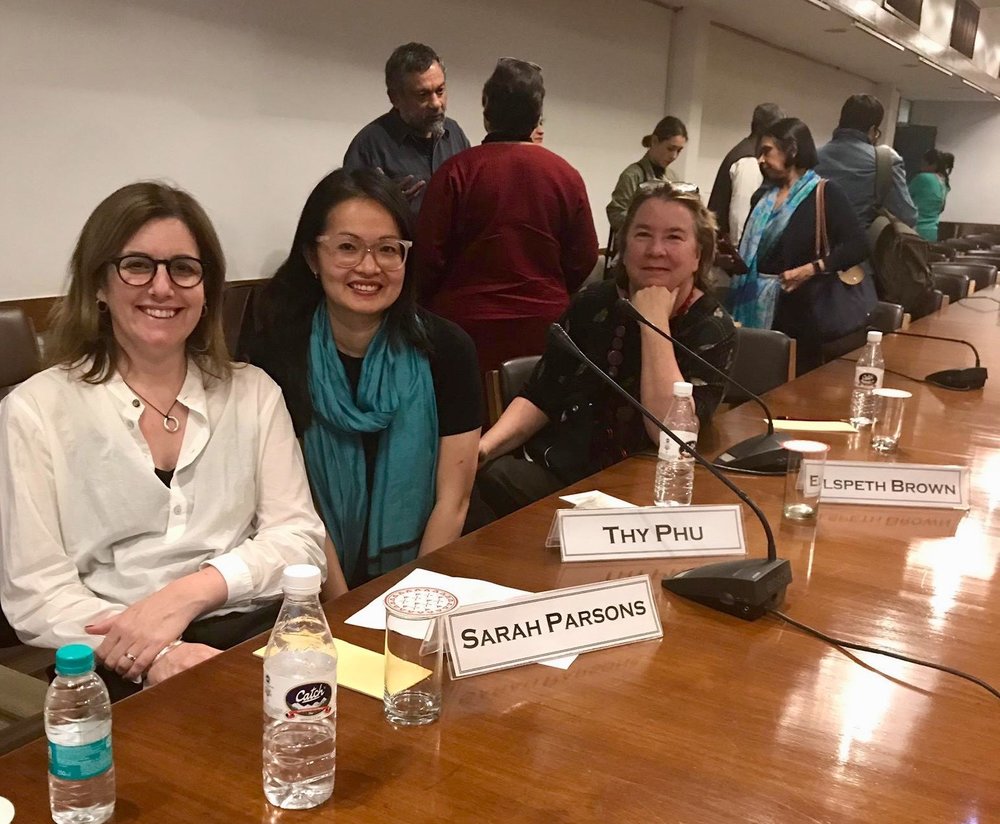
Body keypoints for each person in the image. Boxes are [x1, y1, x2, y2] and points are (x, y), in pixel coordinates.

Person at [0, 182, 326, 700]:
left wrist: (190, 593)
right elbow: (36, 593)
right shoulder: (35, 410)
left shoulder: (253, 392)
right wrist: (160, 653)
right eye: (137, 265)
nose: (162, 287)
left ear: (206, 288)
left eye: (183, 267)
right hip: (111, 660)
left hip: (254, 634)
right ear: (99, 286)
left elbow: (299, 540)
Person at [250, 168, 482, 592]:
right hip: (310, 581)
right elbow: (301, 511)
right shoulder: (276, 353)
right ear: (311, 258)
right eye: (347, 248)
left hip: (428, 576)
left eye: (387, 249)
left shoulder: (448, 350)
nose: (369, 267)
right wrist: (343, 607)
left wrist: (414, 598)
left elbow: (453, 501)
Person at [477, 183, 736, 519]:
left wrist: (653, 322)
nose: (656, 250)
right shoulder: (592, 303)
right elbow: (541, 395)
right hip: (561, 479)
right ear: (624, 246)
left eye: (674, 237)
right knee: (484, 478)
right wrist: (484, 448)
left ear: (698, 254)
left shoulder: (712, 327)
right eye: (643, 234)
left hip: (651, 496)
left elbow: (670, 436)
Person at [414, 58, 598, 384]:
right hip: (543, 326)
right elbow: (584, 256)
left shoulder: (456, 172)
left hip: (464, 329)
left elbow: (428, 258)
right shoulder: (565, 175)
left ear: (487, 109)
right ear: (537, 116)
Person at [730, 118, 870, 374]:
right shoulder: (762, 197)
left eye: (766, 151)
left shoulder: (826, 194)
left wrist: (812, 268)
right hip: (754, 305)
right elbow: (755, 254)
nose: (760, 160)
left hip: (803, 315)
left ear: (792, 149)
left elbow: (858, 245)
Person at [343, 42, 470, 214]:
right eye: (422, 95)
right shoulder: (369, 146)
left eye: (440, 91)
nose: (435, 103)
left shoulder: (454, 133)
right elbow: (350, 215)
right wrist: (389, 207)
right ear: (395, 98)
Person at [816, 94, 917, 229]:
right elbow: (907, 215)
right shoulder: (886, 161)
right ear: (872, 130)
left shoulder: (813, 157)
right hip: (858, 246)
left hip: (809, 245)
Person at [708, 103, 784, 244]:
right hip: (729, 257)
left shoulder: (744, 153)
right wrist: (742, 256)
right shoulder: (748, 161)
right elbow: (740, 219)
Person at [606, 116, 688, 238]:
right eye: (670, 149)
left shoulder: (673, 176)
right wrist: (645, 223)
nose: (674, 156)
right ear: (654, 141)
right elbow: (615, 213)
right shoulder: (632, 175)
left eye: (679, 151)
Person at [909, 148, 952, 241]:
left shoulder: (923, 178)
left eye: (924, 164)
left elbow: (904, 198)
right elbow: (941, 208)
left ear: (933, 165)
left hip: (915, 230)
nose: (921, 168)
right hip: (932, 231)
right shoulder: (944, 183)